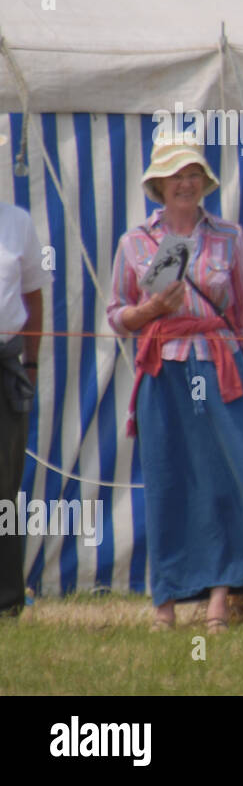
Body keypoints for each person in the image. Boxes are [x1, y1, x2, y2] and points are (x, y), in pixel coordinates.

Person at [106, 134, 243, 632]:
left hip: (220, 368)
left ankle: (219, 600)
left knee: (224, 478)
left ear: (204, 181)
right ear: (158, 184)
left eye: (194, 173)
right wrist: (151, 309)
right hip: (163, 369)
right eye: (177, 174)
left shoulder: (230, 236)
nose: (186, 181)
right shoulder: (135, 242)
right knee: (168, 479)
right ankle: (166, 600)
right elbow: (116, 317)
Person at [1, 201, 49, 619]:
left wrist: (30, 364)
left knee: (4, 486)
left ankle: (7, 599)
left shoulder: (18, 222)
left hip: (5, 364)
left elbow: (34, 297)